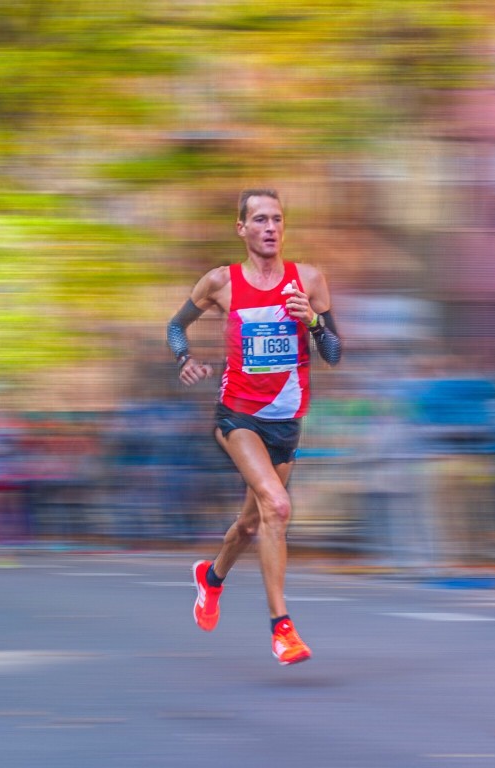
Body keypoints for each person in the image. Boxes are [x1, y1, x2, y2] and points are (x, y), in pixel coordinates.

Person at [166, 188, 343, 666]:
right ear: (241, 228)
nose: (270, 227)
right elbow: (175, 327)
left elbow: (333, 355)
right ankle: (281, 628)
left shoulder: (307, 280)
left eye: (277, 219)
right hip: (237, 416)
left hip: (286, 422)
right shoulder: (221, 283)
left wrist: (314, 325)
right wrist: (184, 359)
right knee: (278, 506)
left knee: (251, 523)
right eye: (259, 219)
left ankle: (211, 578)